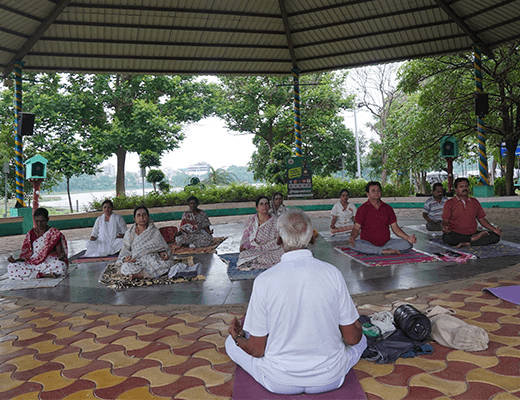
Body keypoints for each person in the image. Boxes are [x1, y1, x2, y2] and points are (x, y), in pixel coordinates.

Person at [226, 209, 366, 395]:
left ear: (278, 240)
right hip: (329, 377)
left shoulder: (264, 281)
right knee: (363, 340)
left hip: (279, 380)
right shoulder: (332, 273)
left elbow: (256, 350)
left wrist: (237, 337)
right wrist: (354, 323)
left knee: (230, 343)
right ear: (312, 239)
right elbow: (352, 338)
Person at [349, 181, 417, 255]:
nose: (376, 192)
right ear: (367, 194)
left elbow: (395, 228)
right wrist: (352, 237)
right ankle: (383, 251)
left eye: (378, 190)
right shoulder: (362, 209)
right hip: (368, 243)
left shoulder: (388, 208)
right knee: (354, 244)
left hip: (387, 243)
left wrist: (408, 238)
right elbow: (356, 228)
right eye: (373, 191)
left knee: (408, 244)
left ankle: (380, 251)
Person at [116, 206, 177, 280]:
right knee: (125, 267)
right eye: (138, 215)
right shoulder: (129, 233)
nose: (141, 217)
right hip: (136, 261)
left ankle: (139, 275)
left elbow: (161, 246)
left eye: (144, 214)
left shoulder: (153, 231)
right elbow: (125, 250)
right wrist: (125, 259)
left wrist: (163, 253)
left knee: (168, 264)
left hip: (152, 259)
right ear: (134, 219)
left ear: (148, 217)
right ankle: (147, 273)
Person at [7, 208, 68, 279]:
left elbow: (59, 255)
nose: (39, 224)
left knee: (61, 265)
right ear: (34, 220)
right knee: (11, 267)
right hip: (33, 263)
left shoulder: (54, 233)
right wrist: (15, 261)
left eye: (42, 221)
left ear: (47, 219)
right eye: (37, 221)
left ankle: (33, 274)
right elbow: (26, 256)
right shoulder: (31, 233)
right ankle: (43, 275)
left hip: (49, 262)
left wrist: (61, 257)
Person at [442, 177, 501, 247]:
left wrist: (494, 229)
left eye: (466, 186)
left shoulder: (474, 201)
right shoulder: (449, 203)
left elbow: (481, 219)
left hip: (473, 232)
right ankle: (473, 239)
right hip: (456, 233)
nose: (465, 188)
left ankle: (468, 243)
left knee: (495, 236)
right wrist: (445, 227)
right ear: (456, 190)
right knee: (447, 237)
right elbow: (445, 220)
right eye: (461, 186)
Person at [237, 195, 283, 270]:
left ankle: (256, 261)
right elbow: (246, 236)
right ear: (256, 207)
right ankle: (259, 261)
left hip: (272, 250)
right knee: (243, 255)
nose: (264, 206)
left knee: (281, 254)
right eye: (261, 204)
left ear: (269, 207)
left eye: (266, 204)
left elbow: (278, 240)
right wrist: (244, 245)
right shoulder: (252, 220)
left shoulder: (276, 221)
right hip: (254, 249)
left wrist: (264, 247)